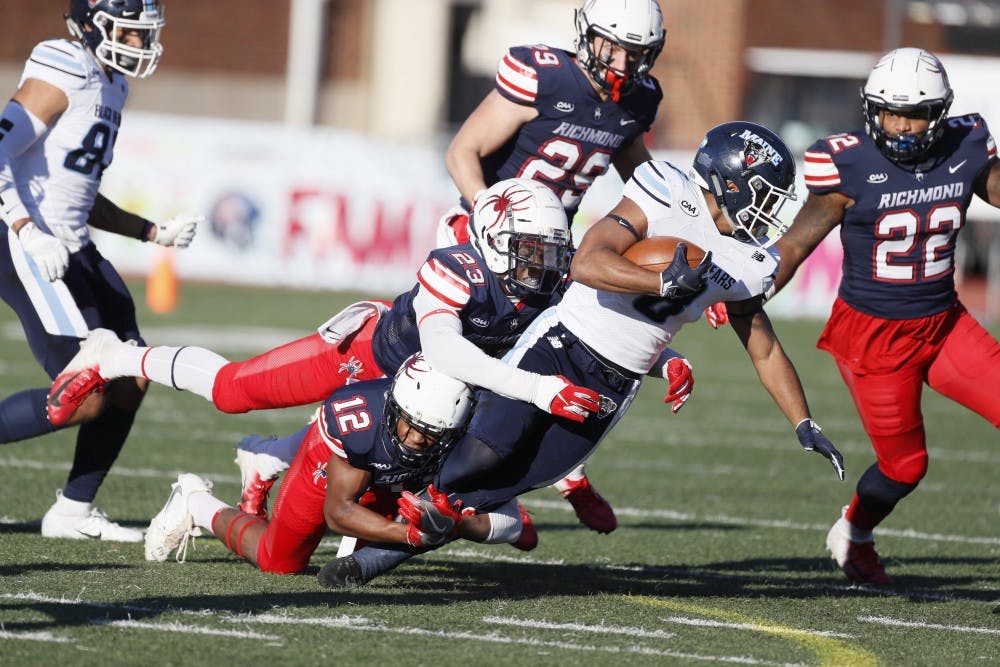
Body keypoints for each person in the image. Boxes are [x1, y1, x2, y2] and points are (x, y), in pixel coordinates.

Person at [318, 121, 847, 589]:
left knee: (498, 486)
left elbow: (764, 345)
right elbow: (588, 263)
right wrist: (659, 278)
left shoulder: (749, 262)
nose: (771, 208)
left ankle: (371, 562)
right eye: (765, 193)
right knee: (477, 456)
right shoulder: (664, 190)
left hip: (616, 384)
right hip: (561, 343)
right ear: (730, 181)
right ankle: (358, 502)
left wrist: (803, 422)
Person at [51, 179, 693, 523]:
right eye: (532, 252)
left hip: (423, 401)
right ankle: (115, 355)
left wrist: (664, 357)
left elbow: (591, 330)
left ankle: (266, 467)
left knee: (379, 481)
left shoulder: (549, 280)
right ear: (496, 241)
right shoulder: (457, 268)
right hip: (369, 359)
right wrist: (536, 388)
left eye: (553, 254)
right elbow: (446, 350)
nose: (545, 267)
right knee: (231, 391)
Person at [772, 48, 1000, 587]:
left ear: (939, 112)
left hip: (945, 324)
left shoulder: (966, 146)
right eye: (890, 111)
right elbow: (798, 243)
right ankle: (855, 530)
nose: (900, 125)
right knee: (906, 467)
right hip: (874, 339)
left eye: (915, 113)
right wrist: (744, 292)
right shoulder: (847, 163)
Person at [437, 0, 667, 531]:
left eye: (637, 54)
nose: (623, 64)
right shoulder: (544, 75)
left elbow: (646, 185)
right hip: (485, 235)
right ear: (588, 35)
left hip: (547, 255)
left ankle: (564, 471)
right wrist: (490, 218)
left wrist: (685, 241)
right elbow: (461, 153)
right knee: (455, 363)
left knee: (553, 354)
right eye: (614, 47)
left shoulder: (638, 100)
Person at [0, 0, 202, 541]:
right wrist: (25, 229)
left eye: (143, 35)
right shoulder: (64, 63)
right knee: (83, 393)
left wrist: (150, 231)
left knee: (134, 375)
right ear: (91, 25)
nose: (140, 45)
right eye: (129, 34)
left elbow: (78, 192)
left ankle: (73, 508)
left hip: (72, 244)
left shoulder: (113, 85)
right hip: (25, 238)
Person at [143, 354, 532, 571]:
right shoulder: (360, 419)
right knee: (278, 561)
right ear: (395, 405)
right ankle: (195, 502)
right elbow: (338, 511)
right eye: (409, 424)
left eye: (430, 433)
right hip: (347, 464)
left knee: (374, 541)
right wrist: (409, 536)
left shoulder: (471, 435)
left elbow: (516, 524)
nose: (415, 439)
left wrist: (459, 524)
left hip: (396, 478)